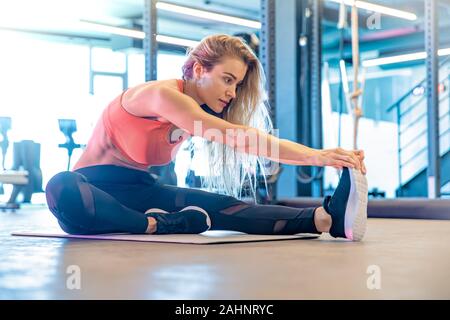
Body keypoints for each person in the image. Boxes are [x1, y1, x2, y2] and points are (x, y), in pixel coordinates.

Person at [45, 34, 368, 241]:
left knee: (225, 207)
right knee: (61, 187)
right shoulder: (161, 96)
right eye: (227, 79)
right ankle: (158, 226)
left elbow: (249, 138)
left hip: (139, 194)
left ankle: (327, 219)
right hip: (90, 192)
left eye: (238, 85)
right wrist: (319, 156)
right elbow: (242, 138)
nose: (232, 92)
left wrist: (323, 163)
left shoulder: (195, 114)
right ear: (199, 70)